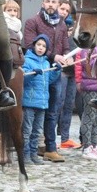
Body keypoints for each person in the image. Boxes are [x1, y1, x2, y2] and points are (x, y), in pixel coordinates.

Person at [23, 0, 72, 162]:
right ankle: (30, 151)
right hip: (36, 71)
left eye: (54, 2)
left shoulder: (62, 24)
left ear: (58, 5)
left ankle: (50, 148)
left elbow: (65, 46)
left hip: (55, 72)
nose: (51, 4)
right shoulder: (32, 22)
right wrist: (54, 56)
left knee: (52, 111)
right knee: (31, 117)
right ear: (43, 3)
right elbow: (29, 44)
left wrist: (67, 56)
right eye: (48, 1)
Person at [22, 34, 58, 165]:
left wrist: (56, 71)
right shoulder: (27, 60)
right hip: (29, 102)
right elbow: (23, 79)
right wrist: (32, 74)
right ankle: (25, 155)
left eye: (43, 46)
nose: (41, 48)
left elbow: (49, 80)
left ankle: (33, 153)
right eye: (39, 45)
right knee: (27, 130)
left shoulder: (47, 63)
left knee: (37, 131)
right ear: (34, 45)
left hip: (42, 103)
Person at [75, 46, 97, 160]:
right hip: (89, 86)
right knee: (89, 116)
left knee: (96, 118)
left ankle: (95, 145)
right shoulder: (83, 50)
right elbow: (82, 67)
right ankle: (87, 146)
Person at [57, 0, 80, 150]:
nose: (64, 12)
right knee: (58, 104)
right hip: (60, 70)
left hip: (73, 70)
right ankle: (51, 138)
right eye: (62, 9)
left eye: (67, 10)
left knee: (68, 106)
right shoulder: (55, 26)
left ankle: (65, 138)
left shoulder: (74, 27)